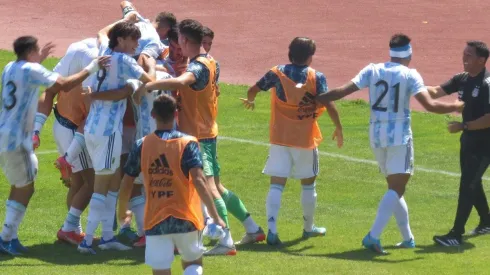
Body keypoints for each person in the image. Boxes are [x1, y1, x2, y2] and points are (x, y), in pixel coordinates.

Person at [315, 33, 464, 254]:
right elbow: (430, 105)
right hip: (399, 137)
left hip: (376, 135)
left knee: (394, 189)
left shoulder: (372, 69)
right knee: (397, 187)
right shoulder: (410, 74)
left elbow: (342, 91)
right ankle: (373, 236)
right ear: (409, 54)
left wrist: (316, 98)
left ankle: (408, 238)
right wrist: (455, 105)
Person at [136, 19, 265, 255]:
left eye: (180, 42)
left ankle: (225, 239)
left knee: (208, 187)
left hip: (198, 134)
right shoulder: (212, 61)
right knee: (216, 186)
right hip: (208, 131)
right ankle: (252, 227)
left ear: (184, 40)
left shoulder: (198, 67)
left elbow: (184, 81)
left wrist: (149, 86)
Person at [0, 35, 109, 255]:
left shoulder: (10, 67)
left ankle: (8, 237)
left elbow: (29, 77)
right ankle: (5, 238)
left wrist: (38, 61)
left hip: (5, 134)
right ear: (31, 51)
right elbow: (65, 84)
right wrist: (92, 67)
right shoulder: (32, 70)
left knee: (20, 185)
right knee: (26, 187)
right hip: (17, 138)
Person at [241, 37, 342, 245]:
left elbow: (253, 90)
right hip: (305, 140)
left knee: (276, 184)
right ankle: (308, 228)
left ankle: (273, 230)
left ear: (290, 53)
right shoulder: (316, 77)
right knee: (308, 184)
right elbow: (329, 104)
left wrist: (250, 101)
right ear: (310, 57)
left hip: (280, 138)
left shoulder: (276, 73)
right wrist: (338, 127)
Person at [120, 94, 225, 275]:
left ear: (153, 114)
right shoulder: (188, 143)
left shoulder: (142, 145)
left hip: (155, 220)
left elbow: (126, 182)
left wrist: (122, 212)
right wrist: (215, 217)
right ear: (176, 113)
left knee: (160, 271)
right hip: (187, 218)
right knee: (193, 264)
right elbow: (199, 181)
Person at [77, 20, 155, 254]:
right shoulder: (125, 61)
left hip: (92, 127)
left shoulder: (103, 51)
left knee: (113, 183)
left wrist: (126, 16)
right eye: (133, 39)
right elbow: (150, 81)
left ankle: (108, 237)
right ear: (121, 40)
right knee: (102, 185)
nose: (137, 44)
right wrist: (146, 69)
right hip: (108, 131)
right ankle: (87, 241)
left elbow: (101, 32)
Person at [428, 41, 490, 246]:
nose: (464, 58)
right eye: (464, 54)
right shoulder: (462, 79)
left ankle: (456, 234)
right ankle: (487, 221)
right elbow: (436, 91)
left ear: (481, 60)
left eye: (469, 55)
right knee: (472, 180)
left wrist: (463, 126)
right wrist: (411, 85)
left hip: (485, 143)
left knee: (467, 185)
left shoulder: (487, 84)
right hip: (469, 140)